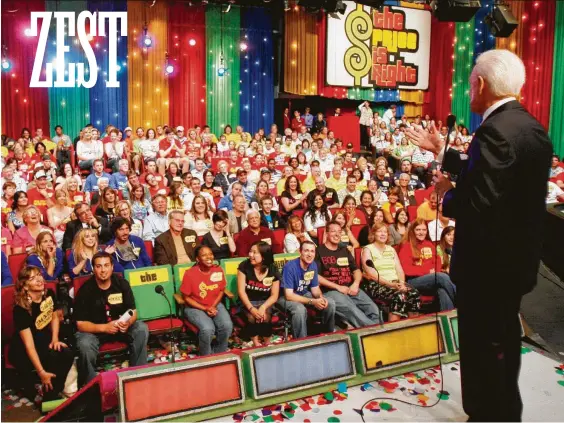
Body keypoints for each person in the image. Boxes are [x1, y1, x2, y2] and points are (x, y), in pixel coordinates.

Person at [405, 50, 553, 421]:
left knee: (482, 348)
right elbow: (500, 178)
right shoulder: (529, 127)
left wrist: (445, 195)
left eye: (471, 84)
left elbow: (479, 202)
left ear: (481, 84)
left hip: (486, 268)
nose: (469, 91)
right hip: (514, 265)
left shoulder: (494, 132)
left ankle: (487, 414)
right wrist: (444, 152)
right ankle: (505, 412)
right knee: (503, 342)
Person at [74, 252, 149, 386]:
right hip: (96, 331)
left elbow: (133, 311)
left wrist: (128, 322)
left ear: (112, 267)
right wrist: (104, 327)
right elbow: (80, 324)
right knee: (84, 343)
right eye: (99, 266)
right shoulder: (85, 290)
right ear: (93, 269)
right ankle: (90, 386)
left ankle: (138, 374)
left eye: (106, 265)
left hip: (120, 328)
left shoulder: (122, 283)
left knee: (141, 328)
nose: (103, 270)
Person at [10, 266, 74, 401]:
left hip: (42, 338)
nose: (39, 279)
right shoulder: (20, 309)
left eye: (39, 275)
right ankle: (47, 393)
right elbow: (29, 346)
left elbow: (55, 315)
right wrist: (41, 372)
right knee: (51, 358)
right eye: (33, 278)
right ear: (25, 286)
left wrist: (55, 338)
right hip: (22, 349)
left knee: (67, 352)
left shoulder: (49, 293)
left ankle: (54, 390)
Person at [316, 222, 381, 328]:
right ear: (326, 233)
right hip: (331, 291)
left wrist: (355, 284)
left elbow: (356, 270)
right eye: (333, 231)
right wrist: (338, 287)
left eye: (339, 232)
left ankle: (369, 331)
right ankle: (376, 331)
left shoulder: (344, 250)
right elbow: (316, 277)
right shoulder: (319, 251)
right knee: (353, 311)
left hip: (350, 288)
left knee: (374, 310)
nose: (337, 234)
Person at [361, 222, 421, 322]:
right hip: (376, 284)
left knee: (414, 294)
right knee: (399, 296)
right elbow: (371, 274)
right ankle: (394, 329)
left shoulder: (391, 249)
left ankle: (414, 326)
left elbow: (399, 269)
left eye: (385, 232)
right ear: (373, 234)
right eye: (379, 231)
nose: (383, 234)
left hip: (395, 283)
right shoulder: (367, 249)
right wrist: (391, 285)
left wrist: (401, 284)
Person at [180, 246, 233, 356]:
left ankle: (219, 353)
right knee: (208, 329)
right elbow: (186, 298)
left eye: (210, 254)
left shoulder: (218, 270)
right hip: (195, 307)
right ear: (198, 259)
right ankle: (206, 356)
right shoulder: (190, 273)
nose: (209, 257)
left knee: (227, 325)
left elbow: (221, 290)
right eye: (204, 255)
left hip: (215, 304)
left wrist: (213, 306)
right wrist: (205, 308)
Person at [279, 241, 336, 339]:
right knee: (299, 310)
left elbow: (315, 289)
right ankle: (301, 341)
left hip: (303, 293)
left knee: (330, 303)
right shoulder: (290, 267)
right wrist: (313, 301)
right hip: (285, 297)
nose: (309, 254)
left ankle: (328, 335)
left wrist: (321, 298)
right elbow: (289, 295)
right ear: (300, 252)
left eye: (312, 251)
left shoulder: (313, 265)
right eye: (306, 251)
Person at [397, 219, 456, 311]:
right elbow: (407, 270)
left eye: (424, 230)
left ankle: (449, 317)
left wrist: (432, 271)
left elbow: (437, 261)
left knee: (442, 290)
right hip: (413, 281)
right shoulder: (406, 246)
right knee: (441, 277)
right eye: (418, 230)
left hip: (430, 280)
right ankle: (462, 303)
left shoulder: (429, 244)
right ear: (412, 231)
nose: (421, 232)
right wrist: (428, 271)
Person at [237, 242, 281, 347]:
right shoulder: (244, 266)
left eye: (254, 252)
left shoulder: (273, 269)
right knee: (252, 318)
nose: (250, 255)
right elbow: (241, 291)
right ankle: (256, 343)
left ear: (264, 256)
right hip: (247, 301)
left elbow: (274, 295)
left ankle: (267, 343)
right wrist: (251, 308)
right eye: (250, 251)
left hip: (265, 301)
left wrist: (263, 307)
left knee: (265, 317)